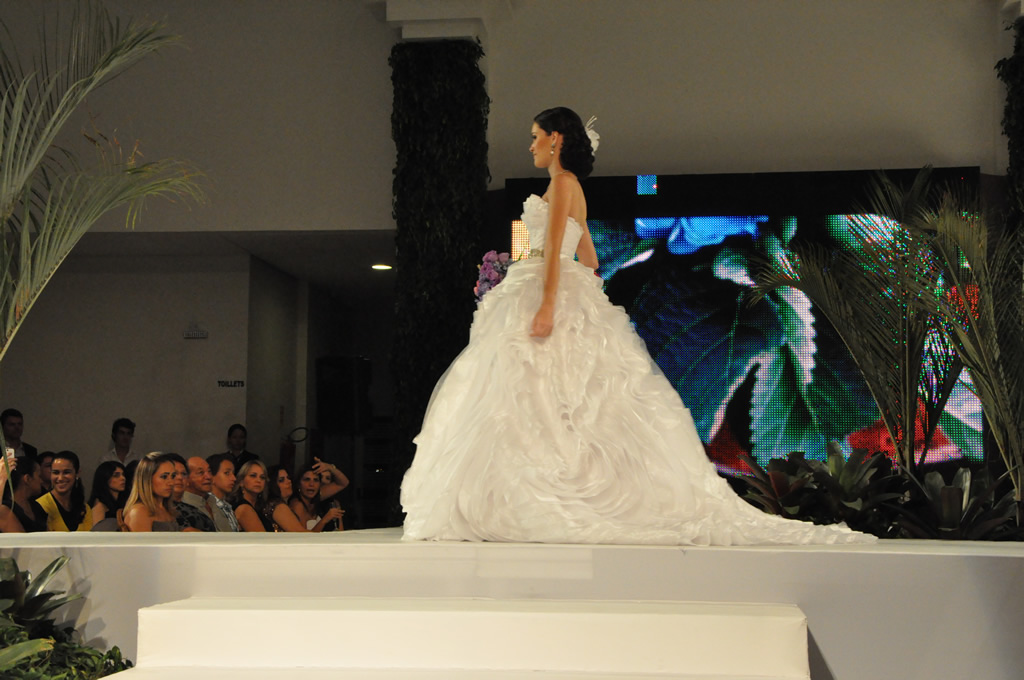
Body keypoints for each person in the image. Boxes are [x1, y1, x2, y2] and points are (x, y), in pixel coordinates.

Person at [400, 107, 874, 546]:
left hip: (544, 289)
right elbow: (586, 251)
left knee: (537, 389)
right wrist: (564, 279)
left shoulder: (562, 184)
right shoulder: (566, 187)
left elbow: (556, 252)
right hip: (545, 284)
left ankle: (545, 485)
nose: (531, 146)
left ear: (556, 139)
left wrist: (546, 303)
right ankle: (548, 480)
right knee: (548, 391)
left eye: (536, 137)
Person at [122, 452, 182, 532]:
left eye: (173, 476)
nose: (171, 483)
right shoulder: (139, 512)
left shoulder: (166, 508)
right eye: (164, 477)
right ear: (147, 479)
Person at [37, 451, 93, 531]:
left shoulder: (85, 508)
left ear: (77, 473)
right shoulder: (41, 505)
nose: (60, 478)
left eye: (66, 472)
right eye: (56, 472)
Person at [290, 460, 345, 532]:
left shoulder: (317, 497)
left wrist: (329, 467)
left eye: (315, 480)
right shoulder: (297, 505)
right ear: (298, 484)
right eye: (307, 479)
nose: (311, 484)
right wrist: (325, 520)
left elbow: (343, 483)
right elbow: (303, 536)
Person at [7, 455, 46, 531]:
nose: (41, 481)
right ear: (27, 479)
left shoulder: (36, 505)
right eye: (39, 476)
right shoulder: (6, 509)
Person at [180, 456, 218, 532]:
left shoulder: (215, 501)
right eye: (201, 472)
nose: (208, 477)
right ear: (186, 479)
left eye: (209, 471)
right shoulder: (182, 507)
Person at [206, 453, 240, 531]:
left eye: (233, 473)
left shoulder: (226, 505)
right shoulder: (208, 505)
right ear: (211, 476)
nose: (234, 478)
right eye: (227, 473)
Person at [89, 460, 127, 528]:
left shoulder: (123, 502)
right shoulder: (100, 506)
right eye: (116, 475)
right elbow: (97, 531)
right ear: (105, 478)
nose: (123, 478)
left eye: (123, 474)